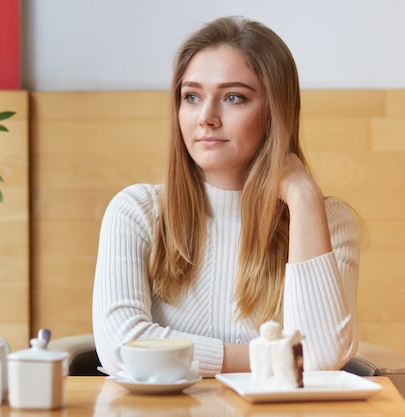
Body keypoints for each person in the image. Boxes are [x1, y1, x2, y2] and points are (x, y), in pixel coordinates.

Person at [92, 16, 359, 377]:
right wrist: (274, 359)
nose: (206, 117)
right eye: (192, 97)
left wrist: (302, 196)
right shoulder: (137, 212)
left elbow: (321, 358)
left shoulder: (328, 220)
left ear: (274, 112)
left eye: (233, 97)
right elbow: (121, 349)